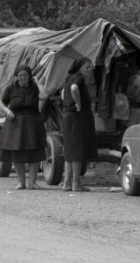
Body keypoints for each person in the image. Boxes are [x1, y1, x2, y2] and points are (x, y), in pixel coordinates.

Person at [0, 65, 46, 190]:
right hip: (15, 124)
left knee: (34, 153)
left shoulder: (34, 88)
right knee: (17, 154)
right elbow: (0, 102)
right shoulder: (11, 88)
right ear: (16, 77)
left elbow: (45, 96)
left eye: (25, 75)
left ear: (30, 76)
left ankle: (33, 182)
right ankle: (21, 182)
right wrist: (7, 112)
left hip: (33, 123)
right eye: (20, 76)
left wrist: (38, 81)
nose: (23, 78)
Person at [61, 58, 97, 192]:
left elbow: (63, 93)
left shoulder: (69, 77)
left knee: (70, 151)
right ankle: (76, 183)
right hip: (77, 117)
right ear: (80, 67)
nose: (89, 70)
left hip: (68, 116)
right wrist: (78, 103)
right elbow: (74, 88)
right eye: (87, 67)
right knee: (77, 151)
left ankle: (67, 183)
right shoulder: (78, 78)